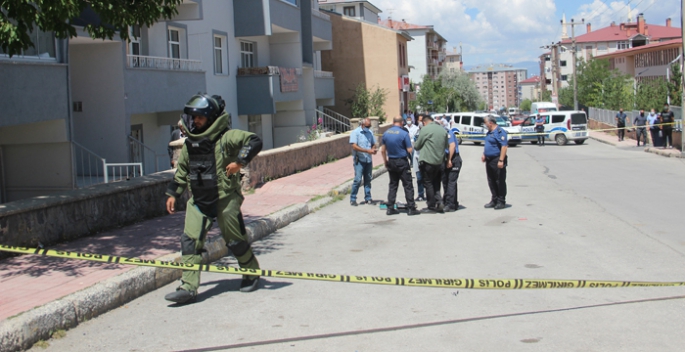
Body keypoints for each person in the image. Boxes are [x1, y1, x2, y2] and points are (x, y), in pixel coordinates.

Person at [164, 94, 263, 304]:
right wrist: (173, 193)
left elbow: (254, 140)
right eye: (193, 117)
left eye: (200, 117)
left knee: (235, 241)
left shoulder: (227, 138)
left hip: (226, 200)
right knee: (189, 242)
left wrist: (239, 161)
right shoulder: (191, 145)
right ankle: (188, 287)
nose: (196, 121)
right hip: (199, 200)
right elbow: (182, 171)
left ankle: (251, 272)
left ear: (211, 118)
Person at [381, 117, 421, 216]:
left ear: (393, 122)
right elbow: (409, 150)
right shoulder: (404, 134)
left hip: (391, 161)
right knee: (407, 185)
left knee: (393, 185)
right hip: (402, 161)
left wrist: (385, 161)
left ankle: (390, 208)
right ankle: (411, 208)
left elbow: (382, 150)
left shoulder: (386, 133)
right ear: (402, 123)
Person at [415, 115, 448, 213]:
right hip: (439, 161)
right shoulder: (442, 130)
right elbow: (446, 145)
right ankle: (439, 201)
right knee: (436, 183)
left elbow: (417, 146)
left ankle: (431, 206)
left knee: (428, 183)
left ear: (424, 122)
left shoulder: (425, 130)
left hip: (428, 161)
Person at [482, 115, 508, 210]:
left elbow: (504, 147)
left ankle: (501, 201)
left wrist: (501, 160)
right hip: (489, 160)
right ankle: (494, 199)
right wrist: (484, 154)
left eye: (485, 122)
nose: (484, 124)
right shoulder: (489, 132)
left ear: (490, 123)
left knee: (499, 181)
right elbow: (488, 144)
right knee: (491, 181)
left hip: (497, 159)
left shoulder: (500, 132)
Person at [349, 118, 377, 206]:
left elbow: (373, 143)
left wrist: (373, 148)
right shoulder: (355, 133)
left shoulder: (370, 132)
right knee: (357, 179)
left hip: (368, 160)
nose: (369, 128)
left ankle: (368, 198)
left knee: (368, 179)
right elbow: (354, 146)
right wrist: (367, 151)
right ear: (362, 125)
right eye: (367, 126)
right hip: (359, 160)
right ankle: (353, 198)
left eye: (370, 126)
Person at [441, 130, 462, 212]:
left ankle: (451, 205)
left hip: (453, 158)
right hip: (445, 158)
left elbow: (452, 146)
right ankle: (451, 202)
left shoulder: (448, 133)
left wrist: (449, 159)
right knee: (446, 182)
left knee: (451, 183)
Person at [410, 117, 426, 201]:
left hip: (425, 157)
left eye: (421, 121)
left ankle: (430, 195)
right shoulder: (417, 131)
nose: (420, 123)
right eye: (419, 121)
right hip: (416, 156)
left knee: (426, 178)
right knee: (419, 177)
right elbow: (413, 141)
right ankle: (420, 194)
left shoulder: (427, 132)